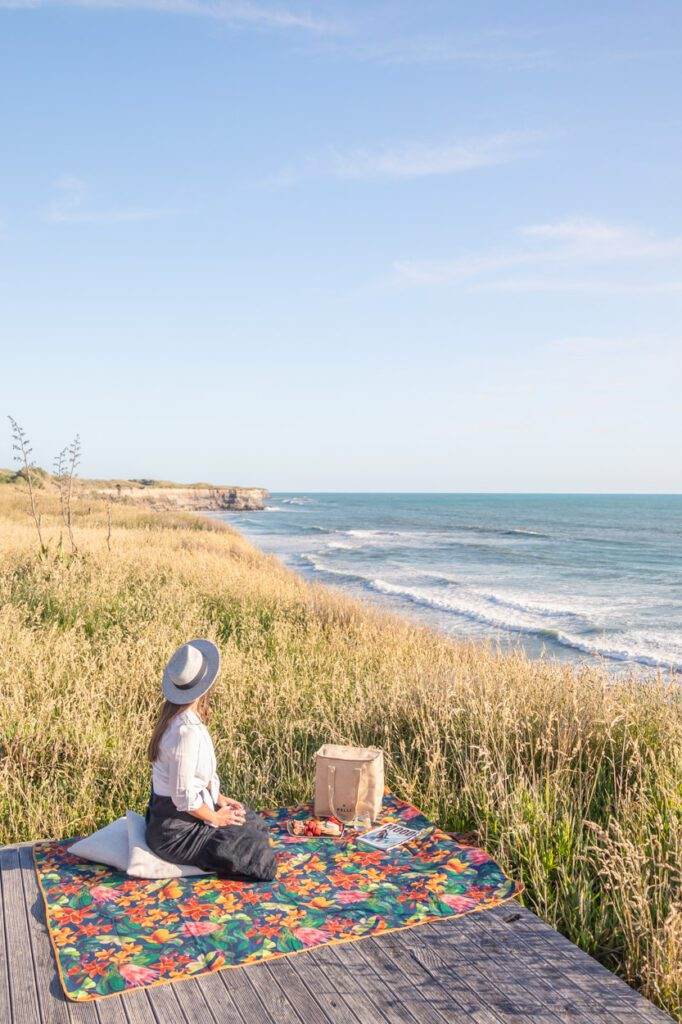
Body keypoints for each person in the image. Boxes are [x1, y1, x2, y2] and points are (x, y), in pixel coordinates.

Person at [145, 638, 276, 881]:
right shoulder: (186, 731)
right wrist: (216, 817)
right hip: (174, 832)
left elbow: (196, 780)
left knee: (253, 821)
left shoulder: (184, 719)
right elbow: (182, 796)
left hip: (185, 815)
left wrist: (220, 799)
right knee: (257, 852)